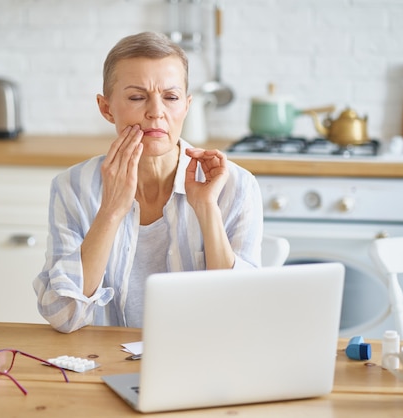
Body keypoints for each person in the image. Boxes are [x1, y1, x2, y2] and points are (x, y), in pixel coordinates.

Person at [33, 31, 263, 333]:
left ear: (187, 105)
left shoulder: (235, 185)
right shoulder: (72, 187)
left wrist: (206, 209)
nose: (156, 112)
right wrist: (111, 210)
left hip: (204, 361)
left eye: (170, 97)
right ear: (106, 108)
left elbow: (239, 318)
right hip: (105, 364)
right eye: (137, 97)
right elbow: (64, 316)